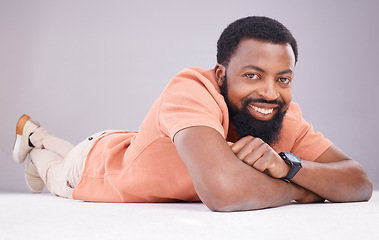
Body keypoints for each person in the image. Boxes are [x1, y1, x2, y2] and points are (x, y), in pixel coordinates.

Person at [12, 16, 373, 212]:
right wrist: (303, 191)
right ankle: (35, 143)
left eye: (283, 79)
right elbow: (224, 192)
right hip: (94, 171)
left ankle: (35, 133)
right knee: (56, 167)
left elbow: (359, 181)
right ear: (220, 75)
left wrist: (289, 166)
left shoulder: (280, 114)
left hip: (122, 144)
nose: (269, 92)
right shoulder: (190, 88)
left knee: (71, 149)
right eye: (252, 75)